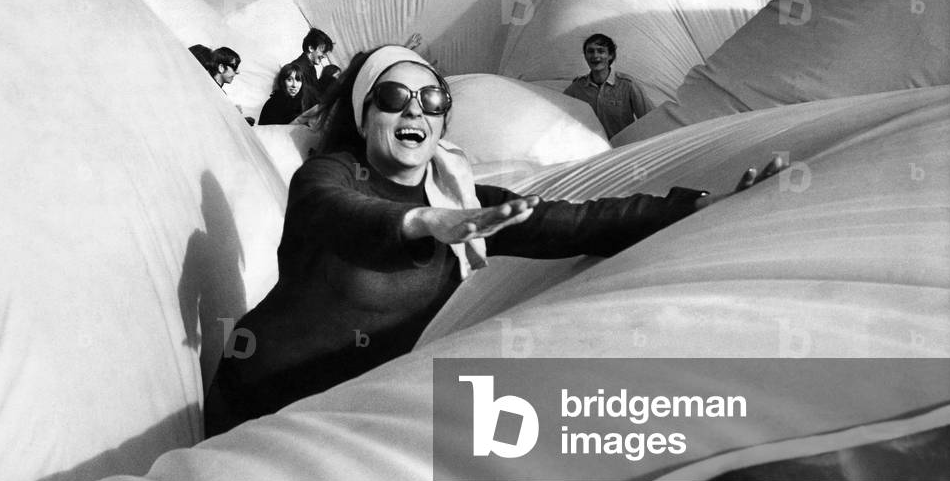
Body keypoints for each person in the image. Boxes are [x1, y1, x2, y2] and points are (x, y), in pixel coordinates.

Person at [204, 45, 783, 437]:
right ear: (362, 116)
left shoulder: (462, 202)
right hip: (252, 400)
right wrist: (422, 225)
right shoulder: (327, 177)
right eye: (392, 97)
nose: (416, 110)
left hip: (339, 419)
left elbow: (579, 223)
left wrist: (701, 207)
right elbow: (337, 214)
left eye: (433, 101)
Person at [564, 33, 652, 139]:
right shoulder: (576, 88)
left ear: (610, 55)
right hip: (593, 151)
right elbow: (561, 118)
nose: (595, 56)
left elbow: (651, 119)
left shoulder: (627, 85)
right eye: (590, 51)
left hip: (624, 150)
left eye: (601, 51)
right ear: (585, 56)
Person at [291, 28, 336, 101]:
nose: (324, 56)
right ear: (311, 48)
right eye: (322, 51)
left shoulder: (310, 68)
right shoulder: (297, 68)